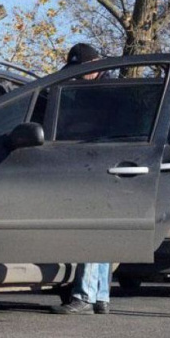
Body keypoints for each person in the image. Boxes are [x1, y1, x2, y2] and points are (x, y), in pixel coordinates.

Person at [51, 43, 112, 315]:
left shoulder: (106, 93)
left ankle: (85, 296)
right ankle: (100, 296)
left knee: (91, 229)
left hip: (98, 165)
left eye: (80, 70)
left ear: (94, 65)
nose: (76, 76)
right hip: (104, 166)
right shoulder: (100, 88)